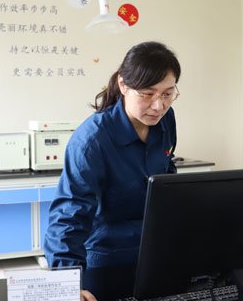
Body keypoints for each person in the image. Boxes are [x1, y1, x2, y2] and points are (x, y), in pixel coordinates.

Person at [43, 41, 181, 301]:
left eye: (167, 94)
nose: (158, 106)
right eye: (147, 94)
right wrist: (67, 282)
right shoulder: (92, 140)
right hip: (108, 260)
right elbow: (69, 215)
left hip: (155, 252)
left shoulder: (166, 120)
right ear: (123, 85)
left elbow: (167, 170)